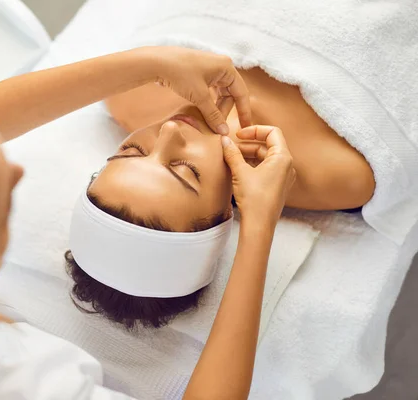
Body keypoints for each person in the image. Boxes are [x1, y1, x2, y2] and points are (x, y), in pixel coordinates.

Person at [0, 47, 293, 400]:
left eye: (128, 151)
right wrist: (260, 229)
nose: (16, 170)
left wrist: (149, 63)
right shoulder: (7, 383)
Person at [65, 56, 376, 331]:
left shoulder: (128, 92)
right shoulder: (337, 174)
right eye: (186, 171)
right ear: (226, 213)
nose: (169, 131)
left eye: (131, 150)